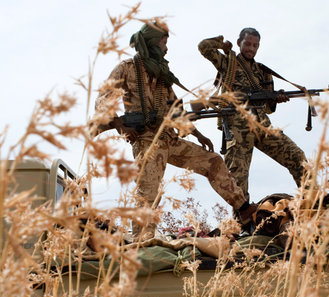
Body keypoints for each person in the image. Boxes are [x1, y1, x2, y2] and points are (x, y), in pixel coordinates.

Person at [93, 22, 255, 240]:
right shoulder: (127, 68)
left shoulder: (162, 74)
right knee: (148, 195)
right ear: (152, 43)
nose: (166, 48)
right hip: (147, 141)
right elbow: (102, 99)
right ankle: (142, 245)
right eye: (163, 43)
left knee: (213, 161)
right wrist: (119, 125)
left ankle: (244, 210)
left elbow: (175, 109)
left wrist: (198, 134)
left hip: (169, 139)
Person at [198, 28, 307, 202]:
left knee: (297, 157)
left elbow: (268, 109)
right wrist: (221, 43)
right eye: (247, 44)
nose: (251, 48)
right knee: (238, 178)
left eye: (255, 45)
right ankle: (243, 222)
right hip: (237, 128)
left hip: (262, 126)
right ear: (239, 42)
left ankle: (313, 202)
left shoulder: (262, 71)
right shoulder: (229, 63)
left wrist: (275, 99)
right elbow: (203, 47)